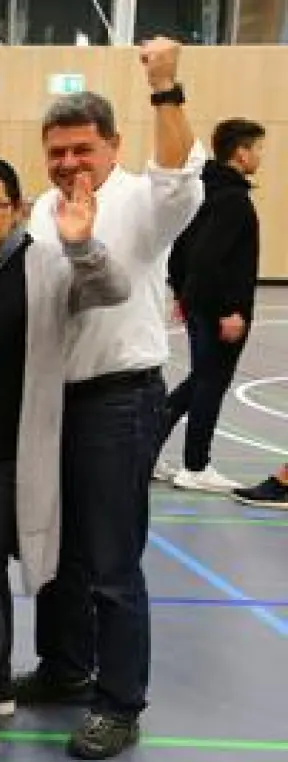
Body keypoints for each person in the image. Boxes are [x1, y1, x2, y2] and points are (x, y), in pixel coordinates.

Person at [17, 37, 204, 760]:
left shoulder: (141, 200)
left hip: (119, 402)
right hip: (51, 402)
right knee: (56, 548)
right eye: (57, 150)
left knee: (111, 557)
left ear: (113, 146)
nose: (69, 163)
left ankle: (120, 701)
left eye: (82, 149)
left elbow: (180, 174)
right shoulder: (40, 209)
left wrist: (166, 86)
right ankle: (66, 667)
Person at [0, 158, 130, 762]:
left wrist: (82, 241)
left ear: (15, 208)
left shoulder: (43, 264)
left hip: (5, 455)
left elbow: (110, 288)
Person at [157, 117, 266, 492]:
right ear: (241, 152)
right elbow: (206, 258)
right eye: (257, 149)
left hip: (199, 303)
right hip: (218, 311)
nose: (259, 156)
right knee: (210, 384)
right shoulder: (232, 200)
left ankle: (146, 449)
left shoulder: (205, 192)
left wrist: (183, 292)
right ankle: (195, 464)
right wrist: (229, 310)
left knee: (199, 382)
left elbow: (181, 248)